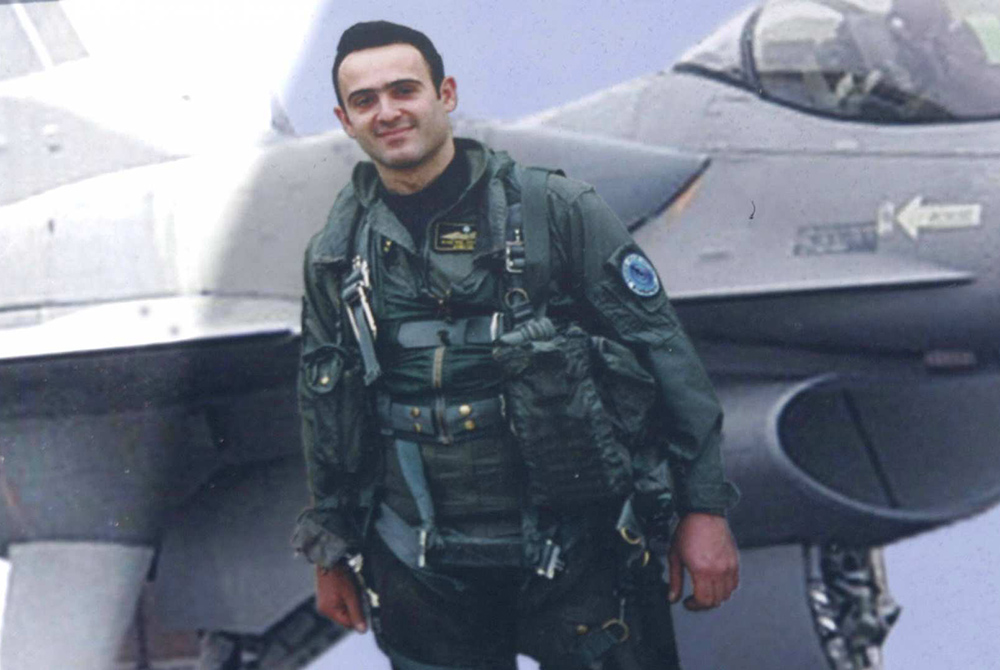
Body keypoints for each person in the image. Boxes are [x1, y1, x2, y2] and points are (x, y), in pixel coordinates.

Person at [293, 20, 740, 670]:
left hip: (579, 553)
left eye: (404, 90)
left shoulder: (555, 211)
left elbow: (664, 354)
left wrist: (704, 510)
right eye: (365, 101)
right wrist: (331, 550)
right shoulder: (337, 254)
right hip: (421, 565)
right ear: (345, 120)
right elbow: (325, 406)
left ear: (446, 94)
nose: (387, 112)